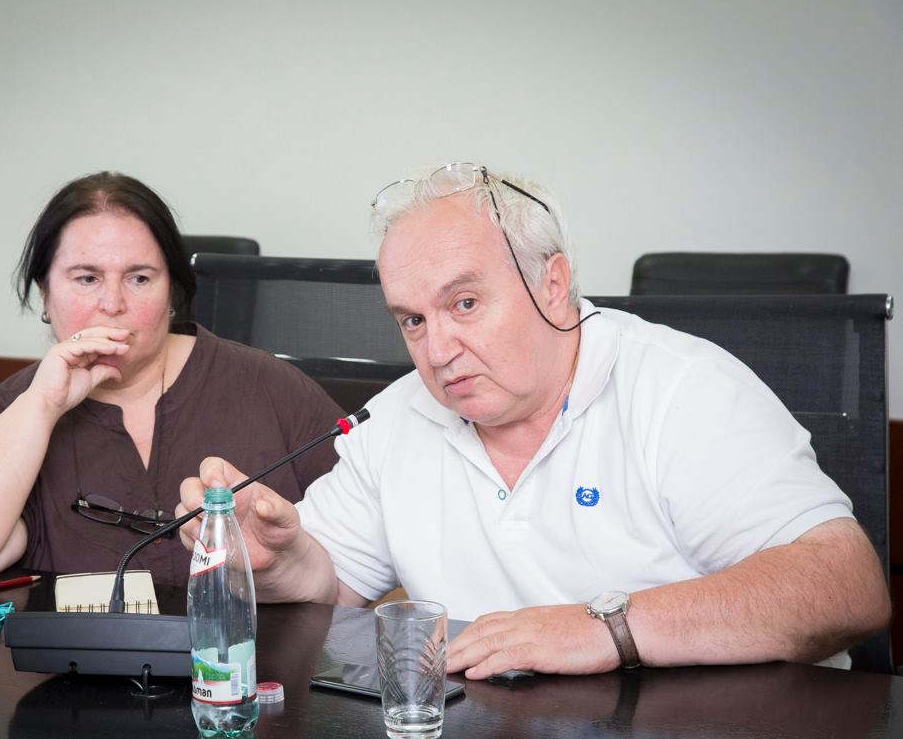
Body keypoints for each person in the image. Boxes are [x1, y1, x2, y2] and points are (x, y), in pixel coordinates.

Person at [177, 162, 890, 676]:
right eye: (412, 320)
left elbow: (846, 585)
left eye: (463, 304)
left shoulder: (678, 387)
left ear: (553, 284)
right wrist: (275, 561)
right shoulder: (398, 416)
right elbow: (330, 585)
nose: (437, 350)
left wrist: (607, 626)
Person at [0, 171, 343, 582]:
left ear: (172, 293)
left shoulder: (271, 387)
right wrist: (42, 405)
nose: (112, 304)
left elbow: (365, 558)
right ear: (44, 294)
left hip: (251, 648)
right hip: (66, 651)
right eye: (86, 278)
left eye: (139, 278)